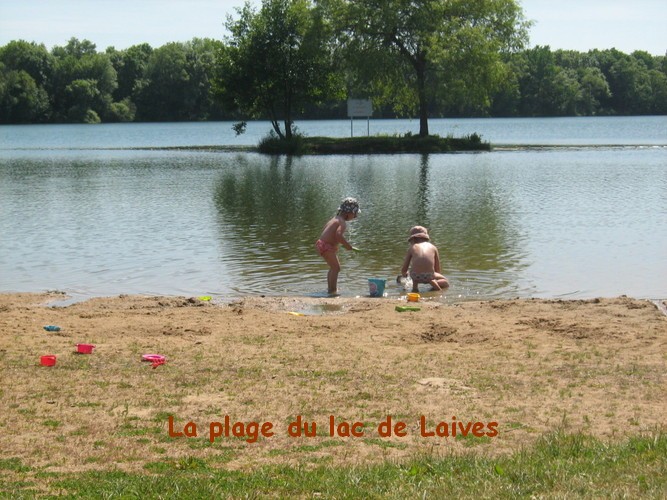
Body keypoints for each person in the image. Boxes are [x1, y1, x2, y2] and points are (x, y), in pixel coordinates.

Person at [316, 197, 360, 295]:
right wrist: (348, 246)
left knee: (333, 267)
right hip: (326, 246)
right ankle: (333, 291)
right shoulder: (342, 222)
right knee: (336, 268)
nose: (356, 216)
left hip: (321, 244)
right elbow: (338, 235)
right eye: (355, 213)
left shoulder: (334, 219)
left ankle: (330, 289)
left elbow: (326, 231)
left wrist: (333, 244)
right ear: (348, 213)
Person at [398, 225, 449, 292]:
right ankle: (435, 288)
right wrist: (433, 277)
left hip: (415, 276)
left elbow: (404, 268)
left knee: (414, 274)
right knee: (446, 282)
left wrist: (405, 274)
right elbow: (437, 269)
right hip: (429, 276)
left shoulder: (412, 248)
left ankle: (415, 288)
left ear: (412, 239)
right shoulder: (433, 247)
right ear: (426, 237)